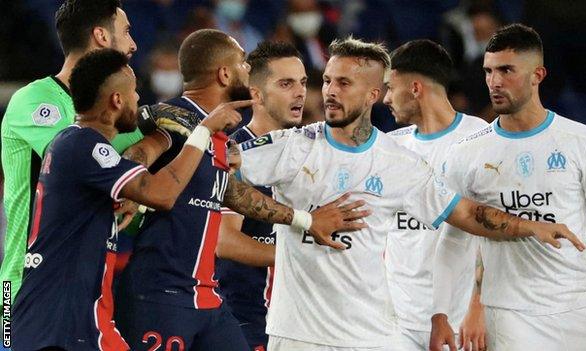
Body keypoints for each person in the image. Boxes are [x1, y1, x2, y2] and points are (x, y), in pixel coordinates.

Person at [235, 36, 585, 351]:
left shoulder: (397, 162)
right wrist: (301, 219)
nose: (329, 91)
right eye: (326, 80)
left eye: (343, 82)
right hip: (300, 335)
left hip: (373, 336)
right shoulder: (291, 146)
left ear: (373, 94)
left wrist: (531, 226)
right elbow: (217, 178)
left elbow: (464, 214)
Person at [114, 29, 367, 351]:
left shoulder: (220, 135)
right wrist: (131, 185)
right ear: (224, 73)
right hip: (162, 291)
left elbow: (236, 194)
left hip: (205, 295)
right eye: (243, 63)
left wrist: (306, 221)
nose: (248, 71)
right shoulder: (176, 121)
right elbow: (142, 152)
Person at [11, 48, 244, 351]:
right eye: (133, 91)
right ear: (116, 101)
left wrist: (165, 138)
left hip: (78, 318)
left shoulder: (76, 145)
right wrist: (202, 133)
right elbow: (162, 194)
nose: (138, 99)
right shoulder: (85, 144)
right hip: (58, 321)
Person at [429, 24, 586, 351]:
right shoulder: (466, 152)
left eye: (506, 70)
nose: (494, 81)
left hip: (580, 306)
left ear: (538, 74)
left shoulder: (582, 140)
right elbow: (453, 237)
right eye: (488, 71)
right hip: (508, 314)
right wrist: (441, 312)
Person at [0, 0, 165, 304]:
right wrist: (152, 134)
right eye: (126, 32)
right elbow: (80, 156)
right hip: (24, 288)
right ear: (102, 37)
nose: (134, 44)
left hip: (88, 287)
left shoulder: (119, 116)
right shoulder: (33, 100)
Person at [382, 39, 488, 351]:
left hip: (459, 320)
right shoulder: (390, 147)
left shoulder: (479, 140)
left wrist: (477, 307)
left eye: (391, 87)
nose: (386, 98)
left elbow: (493, 230)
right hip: (395, 320)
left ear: (415, 88)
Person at [215, 41, 307, 350]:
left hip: (299, 322)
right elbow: (224, 241)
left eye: (303, 82)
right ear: (256, 94)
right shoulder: (233, 153)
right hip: (248, 321)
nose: (300, 93)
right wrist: (300, 257)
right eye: (286, 83)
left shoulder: (309, 150)